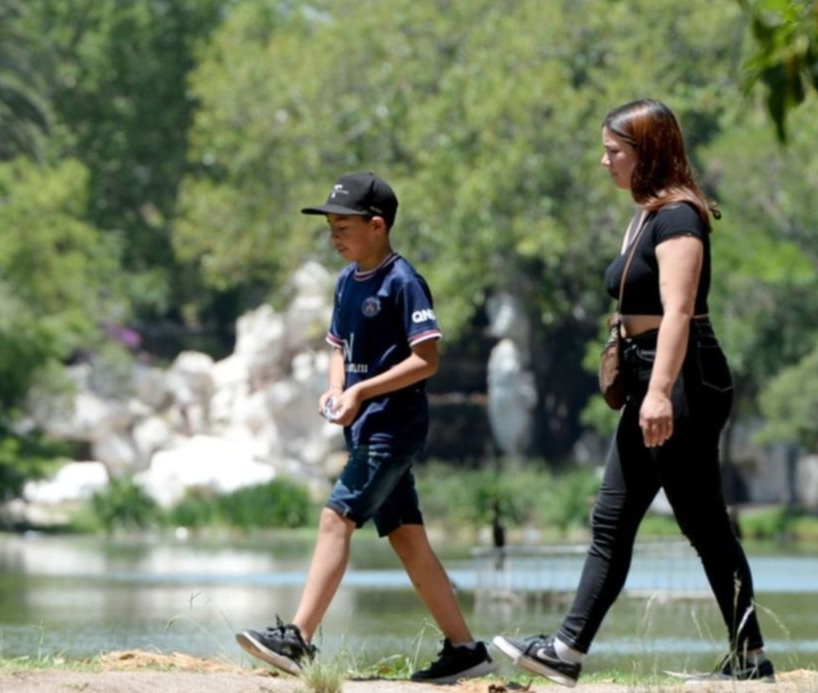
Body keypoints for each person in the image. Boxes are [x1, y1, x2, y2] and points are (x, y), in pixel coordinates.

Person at [493, 100, 774, 686]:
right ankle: (566, 652)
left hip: (681, 379)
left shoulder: (679, 218)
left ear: (649, 152)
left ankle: (749, 662)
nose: (604, 162)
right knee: (613, 519)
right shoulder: (647, 214)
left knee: (705, 529)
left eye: (614, 151)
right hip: (651, 372)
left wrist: (660, 393)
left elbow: (677, 312)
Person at [236, 172, 495, 684]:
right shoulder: (345, 281)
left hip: (393, 428)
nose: (334, 236)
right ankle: (466, 651)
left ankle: (298, 639)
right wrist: (337, 389)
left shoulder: (403, 281)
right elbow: (338, 346)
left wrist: (361, 392)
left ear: (378, 226)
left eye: (343, 226)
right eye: (330, 226)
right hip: (364, 426)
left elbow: (427, 359)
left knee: (337, 518)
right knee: (408, 540)